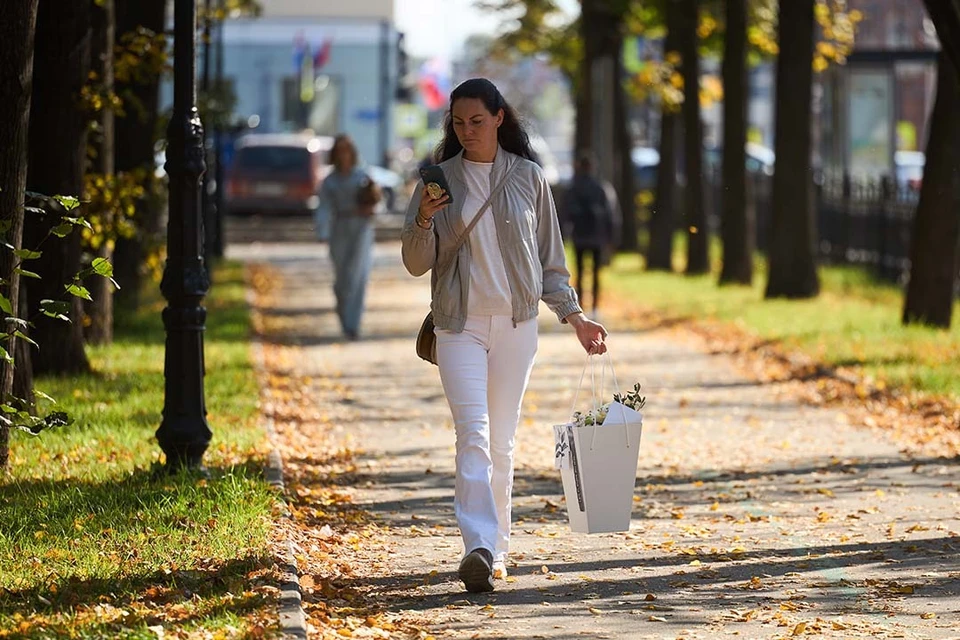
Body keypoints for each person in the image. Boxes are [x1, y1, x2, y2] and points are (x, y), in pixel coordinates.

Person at [400, 78, 608, 594]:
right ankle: (478, 545)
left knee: (501, 440)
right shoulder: (436, 182)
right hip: (459, 326)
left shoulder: (528, 178)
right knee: (471, 435)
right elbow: (415, 262)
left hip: (517, 328)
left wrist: (575, 317)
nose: (466, 131)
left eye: (476, 120)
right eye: (457, 122)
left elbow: (550, 261)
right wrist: (424, 220)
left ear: (498, 118)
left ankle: (498, 551)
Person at [317, 134, 378, 341]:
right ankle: (344, 316)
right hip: (339, 228)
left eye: (346, 149)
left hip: (361, 228)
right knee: (342, 277)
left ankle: (353, 324)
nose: (343, 154)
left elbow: (375, 199)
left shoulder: (362, 174)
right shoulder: (329, 181)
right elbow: (323, 207)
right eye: (339, 150)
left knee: (358, 275)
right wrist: (322, 231)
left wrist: (371, 198)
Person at [562, 153, 621, 314]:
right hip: (597, 236)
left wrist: (563, 236)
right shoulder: (601, 188)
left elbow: (565, 213)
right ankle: (594, 306)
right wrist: (611, 237)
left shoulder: (573, 188)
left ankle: (580, 303)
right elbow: (611, 213)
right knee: (596, 273)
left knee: (580, 272)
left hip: (579, 236)